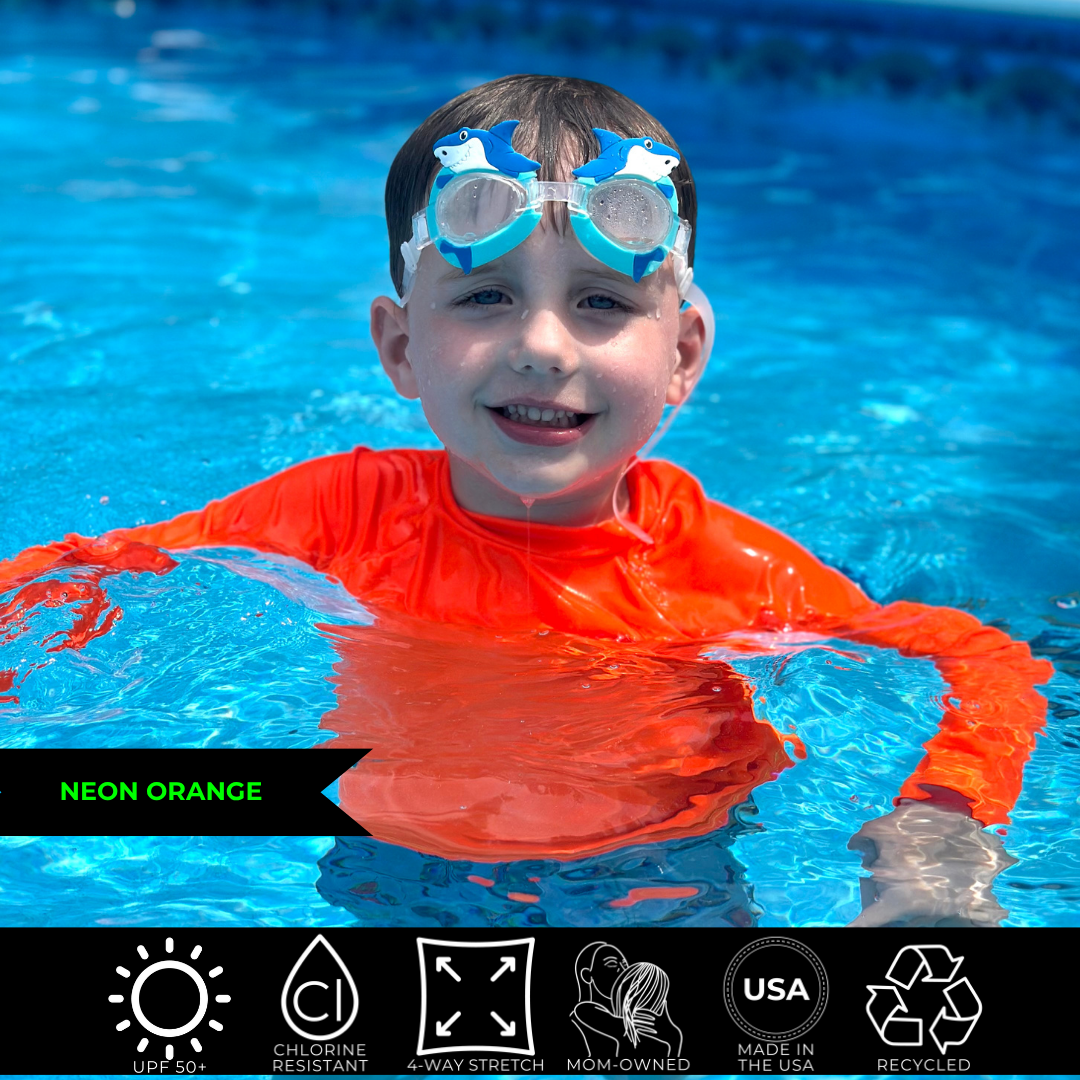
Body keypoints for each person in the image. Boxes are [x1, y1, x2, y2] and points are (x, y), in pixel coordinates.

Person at [0, 75, 1053, 925]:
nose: (542, 346)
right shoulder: (341, 511)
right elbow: (85, 561)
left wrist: (941, 826)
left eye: (600, 301)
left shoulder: (723, 570)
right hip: (393, 869)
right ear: (400, 346)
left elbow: (986, 660)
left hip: (654, 880)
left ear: (683, 353)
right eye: (486, 296)